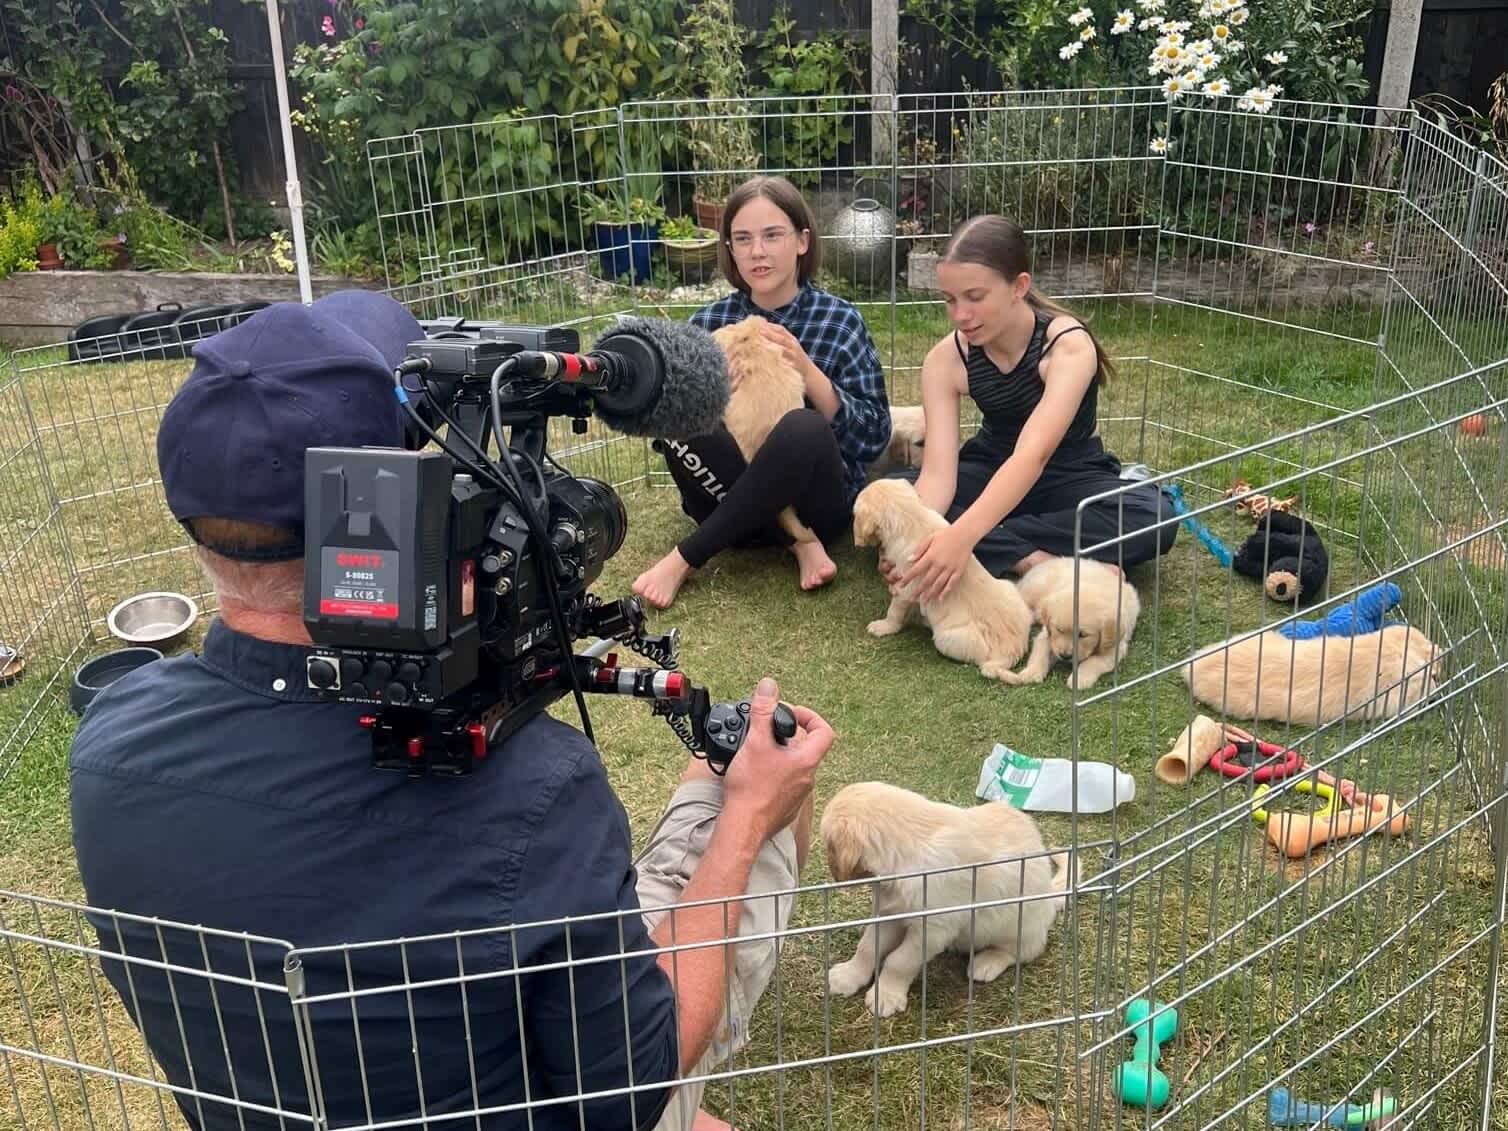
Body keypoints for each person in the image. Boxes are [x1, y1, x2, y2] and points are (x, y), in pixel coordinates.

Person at [67, 291, 833, 1131]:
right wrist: (752, 809)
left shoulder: (108, 739)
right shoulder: (533, 792)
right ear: (391, 500)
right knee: (731, 776)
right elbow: (631, 1084)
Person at [632, 175, 892, 609]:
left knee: (803, 427)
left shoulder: (839, 320)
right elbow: (668, 440)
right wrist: (708, 398)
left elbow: (872, 438)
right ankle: (798, 543)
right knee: (683, 413)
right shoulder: (709, 321)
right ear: (730, 249)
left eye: (772, 235)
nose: (757, 251)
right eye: (743, 238)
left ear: (802, 241)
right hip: (723, 499)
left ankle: (685, 558)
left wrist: (809, 372)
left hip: (816, 506)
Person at [889, 215, 1177, 602]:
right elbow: (939, 476)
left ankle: (988, 545)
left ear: (1018, 287)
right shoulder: (945, 360)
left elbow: (1032, 455)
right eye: (950, 300)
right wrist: (915, 530)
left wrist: (955, 535)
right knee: (892, 495)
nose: (960, 315)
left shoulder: (1067, 345)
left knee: (1155, 519)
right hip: (990, 466)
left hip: (1070, 474)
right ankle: (1035, 561)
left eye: (975, 297)